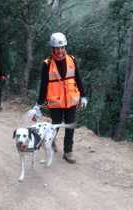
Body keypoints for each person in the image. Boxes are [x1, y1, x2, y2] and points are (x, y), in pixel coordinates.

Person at [35, 32, 87, 164]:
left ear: (65, 47)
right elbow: (43, 85)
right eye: (57, 48)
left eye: (62, 47)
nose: (60, 50)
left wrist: (83, 95)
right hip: (55, 102)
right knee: (55, 126)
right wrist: (39, 104)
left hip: (71, 101)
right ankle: (51, 141)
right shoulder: (47, 64)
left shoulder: (72, 60)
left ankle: (68, 151)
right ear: (53, 48)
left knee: (70, 126)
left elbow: (78, 79)